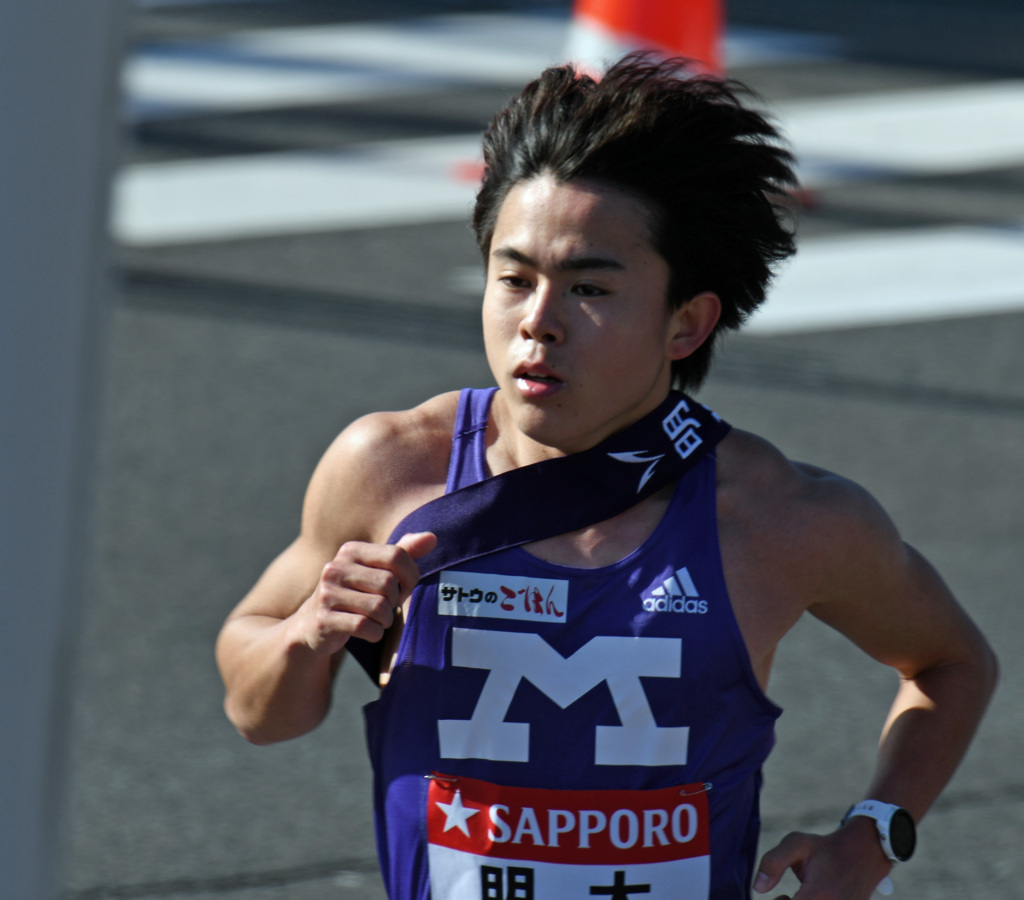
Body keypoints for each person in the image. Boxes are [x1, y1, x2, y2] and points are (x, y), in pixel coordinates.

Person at [215, 55, 997, 900]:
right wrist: (308, 635)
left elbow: (951, 663)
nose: (538, 324)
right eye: (513, 279)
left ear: (688, 323)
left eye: (589, 288)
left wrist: (875, 832)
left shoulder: (775, 518)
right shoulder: (392, 470)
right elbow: (262, 714)